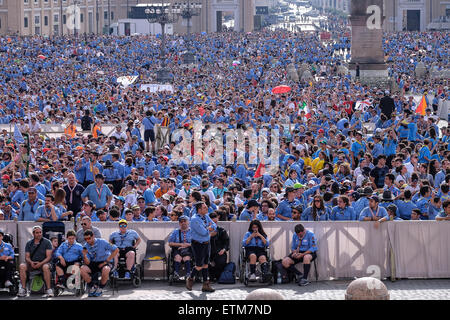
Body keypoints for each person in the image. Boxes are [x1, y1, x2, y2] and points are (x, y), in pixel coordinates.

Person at [185, 201, 216, 292]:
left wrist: (209, 228)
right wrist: (209, 229)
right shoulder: (195, 219)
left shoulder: (206, 216)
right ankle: (190, 279)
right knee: (199, 265)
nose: (207, 209)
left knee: (206, 264)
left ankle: (206, 284)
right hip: (198, 244)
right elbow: (203, 232)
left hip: (206, 243)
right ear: (199, 209)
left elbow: (214, 225)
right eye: (204, 208)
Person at [80, 229, 119, 297]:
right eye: (85, 239)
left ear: (93, 236)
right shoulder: (85, 246)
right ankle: (93, 286)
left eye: (89, 238)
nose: (87, 240)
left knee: (106, 269)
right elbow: (88, 262)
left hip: (105, 261)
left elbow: (116, 249)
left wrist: (107, 260)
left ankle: (100, 287)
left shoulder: (103, 241)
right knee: (82, 269)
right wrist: (84, 255)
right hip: (94, 263)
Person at [18, 226, 54, 297]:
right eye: (37, 233)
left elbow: (49, 257)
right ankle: (23, 289)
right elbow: (27, 257)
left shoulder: (47, 242)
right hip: (32, 263)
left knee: (46, 267)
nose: (39, 234)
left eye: (40, 232)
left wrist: (40, 263)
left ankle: (49, 289)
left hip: (44, 263)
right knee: (22, 266)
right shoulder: (29, 243)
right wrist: (31, 262)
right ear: (33, 234)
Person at [168, 215, 192, 280]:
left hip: (189, 249)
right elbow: (170, 243)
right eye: (181, 222)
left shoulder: (192, 231)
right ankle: (176, 274)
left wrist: (187, 245)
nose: (183, 223)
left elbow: (197, 242)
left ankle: (188, 274)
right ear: (179, 223)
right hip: (177, 249)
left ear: (188, 222)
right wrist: (181, 244)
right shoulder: (175, 232)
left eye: (185, 221)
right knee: (177, 257)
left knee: (186, 258)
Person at [208, 211, 230, 282]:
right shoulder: (205, 231)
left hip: (219, 251)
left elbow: (226, 242)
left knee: (221, 260)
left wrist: (224, 249)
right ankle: (211, 277)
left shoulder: (221, 230)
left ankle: (218, 277)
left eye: (215, 222)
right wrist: (209, 236)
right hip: (208, 251)